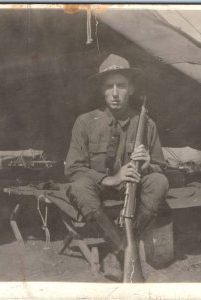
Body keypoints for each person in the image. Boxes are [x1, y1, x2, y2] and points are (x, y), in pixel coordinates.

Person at [64, 54, 169, 281]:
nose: (114, 93)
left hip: (133, 187)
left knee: (159, 182)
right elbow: (73, 169)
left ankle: (119, 245)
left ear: (131, 89)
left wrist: (148, 165)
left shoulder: (146, 124)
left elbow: (161, 167)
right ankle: (121, 248)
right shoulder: (85, 122)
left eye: (121, 86)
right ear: (101, 90)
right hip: (99, 187)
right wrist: (110, 179)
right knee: (79, 187)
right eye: (108, 86)